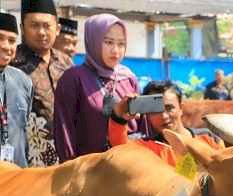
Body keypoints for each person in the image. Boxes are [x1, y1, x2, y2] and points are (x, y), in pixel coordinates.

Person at [54, 13, 138, 162]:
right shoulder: (74, 78)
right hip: (87, 174)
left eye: (121, 44)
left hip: (125, 169)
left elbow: (140, 129)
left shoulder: (129, 79)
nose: (116, 51)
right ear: (93, 40)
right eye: (108, 42)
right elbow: (64, 131)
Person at [12, 0, 72, 167]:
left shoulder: (66, 62)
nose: (41, 32)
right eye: (34, 25)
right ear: (22, 28)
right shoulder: (11, 63)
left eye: (47, 25)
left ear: (57, 28)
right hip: (27, 158)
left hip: (66, 155)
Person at [108, 80, 222, 167]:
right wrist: (119, 118)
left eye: (169, 108)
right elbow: (120, 149)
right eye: (156, 110)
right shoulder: (147, 148)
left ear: (181, 108)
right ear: (147, 114)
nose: (164, 116)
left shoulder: (210, 139)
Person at [0, 12, 33, 167]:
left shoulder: (23, 81)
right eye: (0, 38)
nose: (6, 46)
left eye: (12, 40)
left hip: (17, 177)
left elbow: (24, 132)